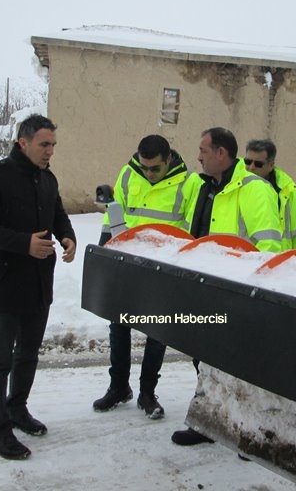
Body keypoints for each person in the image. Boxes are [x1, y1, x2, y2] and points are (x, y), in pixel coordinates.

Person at [0, 114, 77, 460]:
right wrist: (22, 243)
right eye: (45, 144)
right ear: (23, 142)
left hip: (38, 283)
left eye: (53, 145)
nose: (50, 151)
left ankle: (18, 409)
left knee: (28, 354)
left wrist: (67, 236)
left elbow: (57, 213)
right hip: (3, 283)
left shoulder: (47, 179)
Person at [172, 126, 282, 446]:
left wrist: (254, 294)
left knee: (241, 367)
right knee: (203, 358)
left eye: (203, 151)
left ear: (222, 154)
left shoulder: (254, 189)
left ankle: (248, 433)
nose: (198, 156)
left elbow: (269, 248)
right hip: (205, 288)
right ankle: (208, 423)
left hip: (239, 294)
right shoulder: (206, 186)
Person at [92, 134, 201, 420]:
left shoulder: (190, 184)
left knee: (156, 332)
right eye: (145, 168)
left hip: (162, 268)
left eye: (155, 168)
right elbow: (113, 216)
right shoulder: (129, 174)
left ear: (169, 160)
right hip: (127, 263)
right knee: (119, 326)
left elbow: (189, 230)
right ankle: (118, 387)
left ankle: (147, 393)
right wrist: (107, 251)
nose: (148, 173)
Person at [244, 138, 296, 250]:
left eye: (258, 164)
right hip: (243, 260)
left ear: (271, 165)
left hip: (280, 261)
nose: (251, 167)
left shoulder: (288, 190)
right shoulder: (234, 186)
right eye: (247, 161)